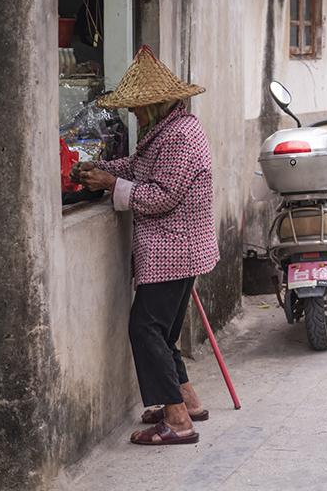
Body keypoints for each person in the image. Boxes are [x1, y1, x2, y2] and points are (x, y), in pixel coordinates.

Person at [76, 46, 219, 446]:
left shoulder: (178, 137)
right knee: (162, 331)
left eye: (138, 109)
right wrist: (103, 170)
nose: (135, 116)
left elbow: (161, 195)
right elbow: (140, 167)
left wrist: (110, 185)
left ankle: (177, 422)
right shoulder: (169, 130)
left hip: (174, 249)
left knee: (145, 329)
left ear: (156, 104)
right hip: (179, 249)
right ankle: (187, 402)